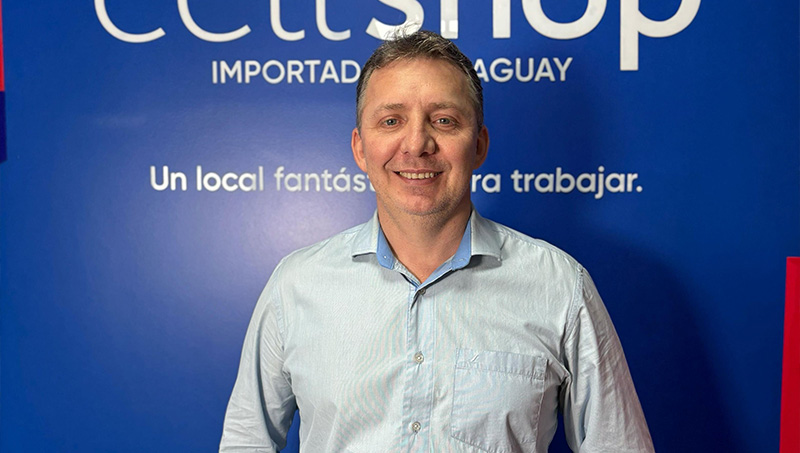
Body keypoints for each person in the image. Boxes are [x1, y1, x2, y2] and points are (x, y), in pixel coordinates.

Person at [220, 30, 654, 453]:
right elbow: (247, 442)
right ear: (360, 148)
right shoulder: (296, 285)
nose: (416, 144)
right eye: (391, 121)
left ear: (478, 146)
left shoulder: (559, 285)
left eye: (444, 120)